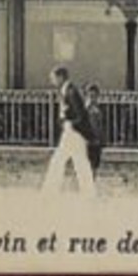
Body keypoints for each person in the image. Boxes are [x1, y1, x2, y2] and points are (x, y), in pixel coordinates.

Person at [41, 65, 96, 196]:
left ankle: (50, 191)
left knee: (66, 161)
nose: (52, 81)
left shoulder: (71, 91)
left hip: (73, 132)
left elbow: (80, 114)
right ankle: (88, 192)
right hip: (72, 131)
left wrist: (71, 124)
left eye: (53, 78)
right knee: (75, 162)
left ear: (60, 77)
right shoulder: (67, 90)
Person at [83, 83, 105, 177]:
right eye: (90, 96)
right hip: (86, 141)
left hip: (96, 141)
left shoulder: (98, 110)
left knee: (95, 165)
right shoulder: (84, 110)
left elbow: (100, 126)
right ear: (86, 96)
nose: (92, 99)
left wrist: (101, 139)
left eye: (94, 96)